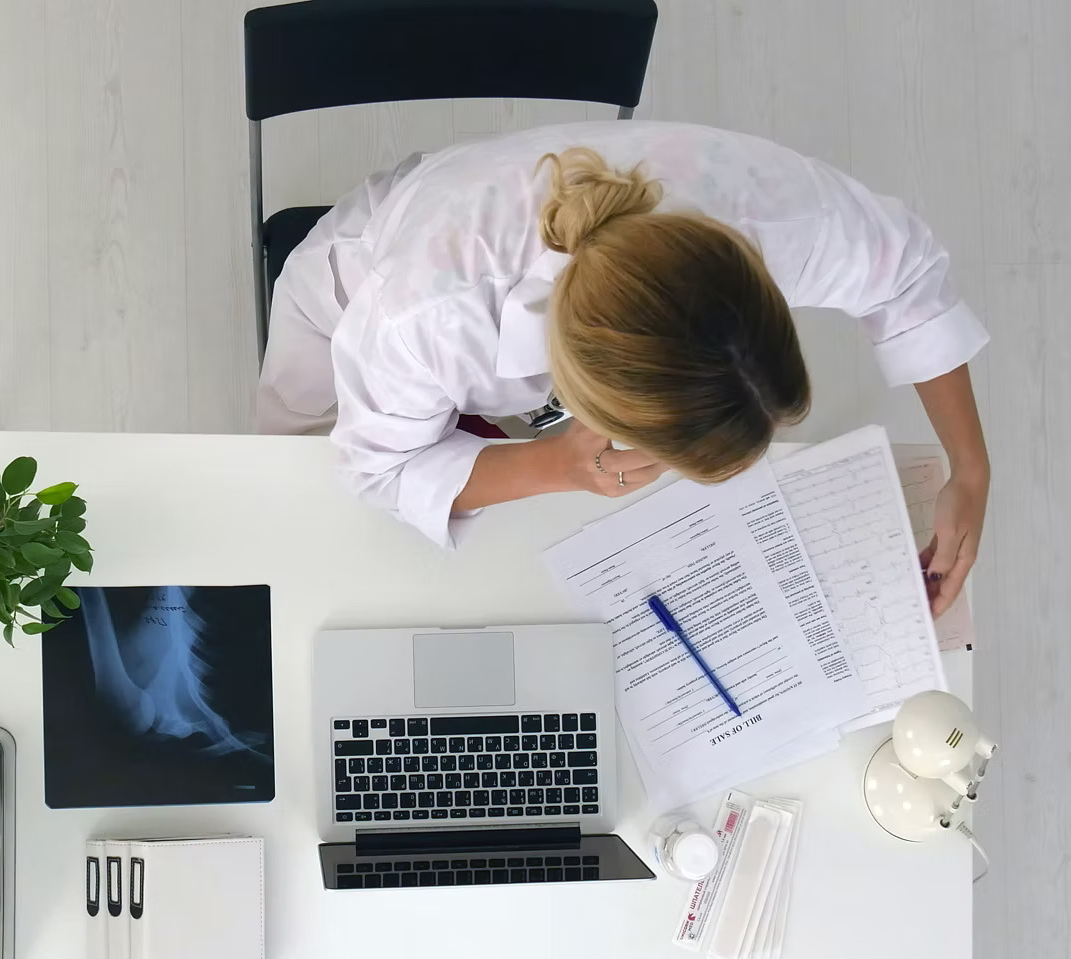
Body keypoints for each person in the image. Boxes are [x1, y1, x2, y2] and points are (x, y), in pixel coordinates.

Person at [257, 122, 988, 615]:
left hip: (481, 263)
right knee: (299, 508)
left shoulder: (769, 218)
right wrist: (558, 468)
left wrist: (971, 469)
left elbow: (908, 272)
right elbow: (375, 469)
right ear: (578, 399)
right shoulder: (420, 314)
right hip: (347, 303)